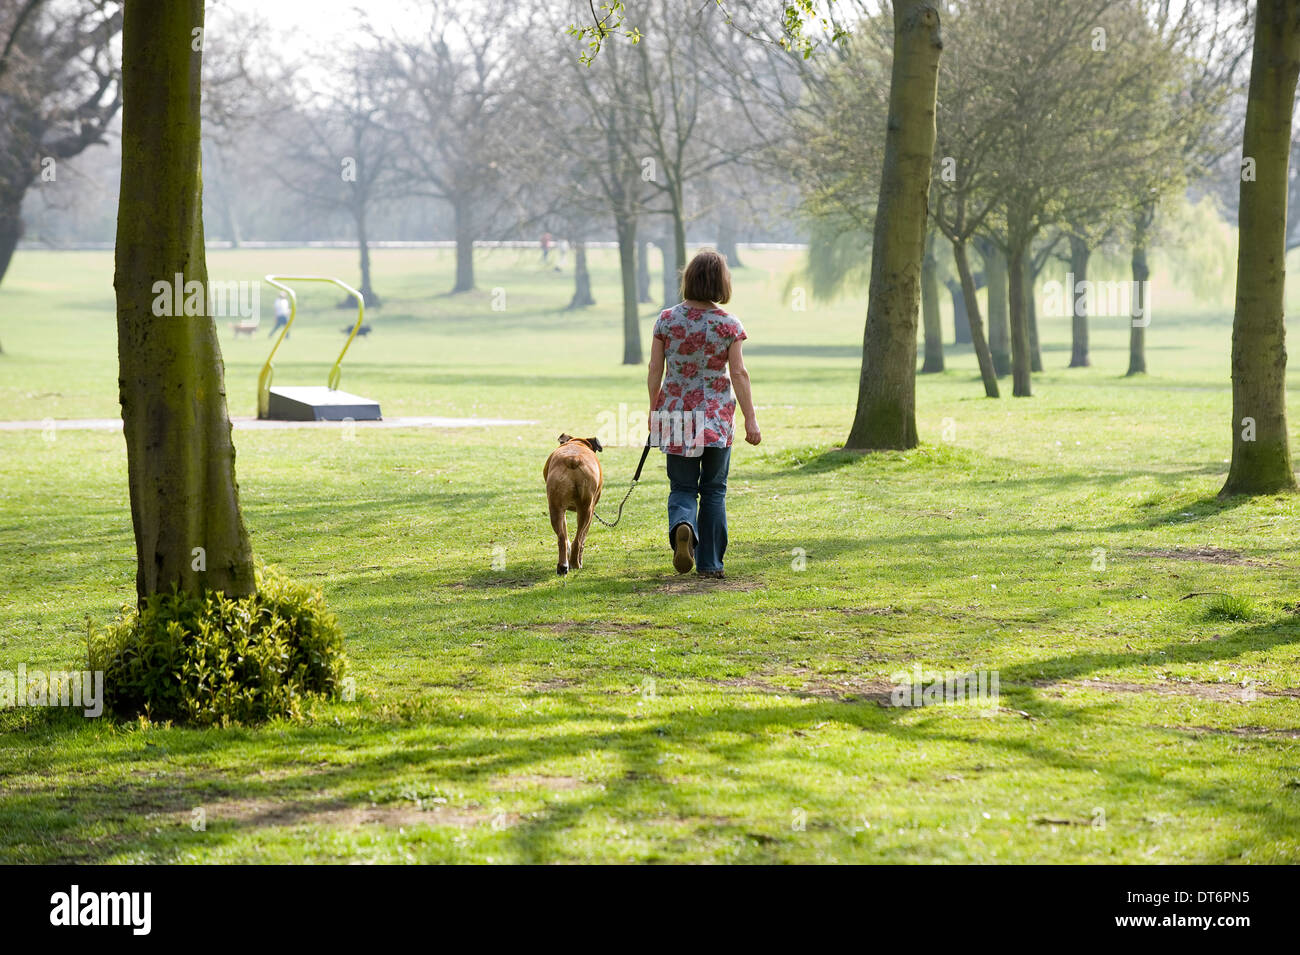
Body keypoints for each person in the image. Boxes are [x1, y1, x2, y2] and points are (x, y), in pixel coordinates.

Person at [647, 249, 760, 579]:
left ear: (689, 279)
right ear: (722, 282)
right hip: (715, 419)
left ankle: (683, 524)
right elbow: (739, 373)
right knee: (713, 490)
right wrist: (751, 419)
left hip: (676, 415)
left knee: (682, 487)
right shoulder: (729, 325)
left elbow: (656, 367)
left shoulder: (666, 320)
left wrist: (654, 408)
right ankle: (710, 564)